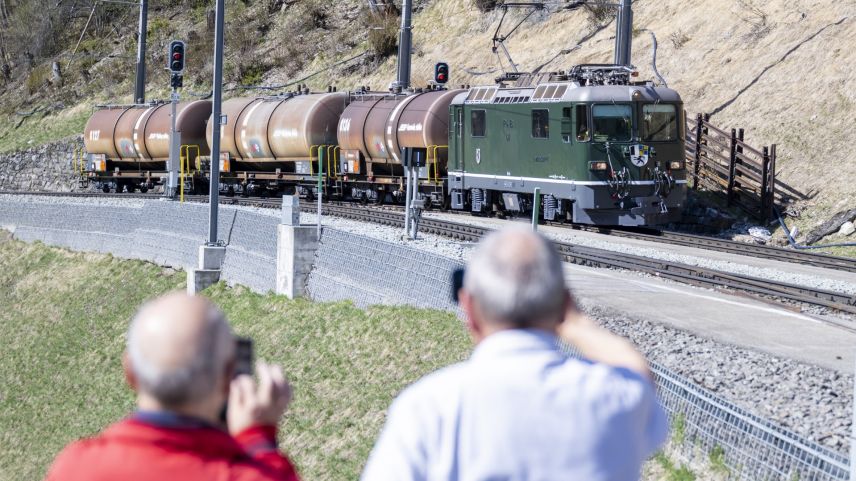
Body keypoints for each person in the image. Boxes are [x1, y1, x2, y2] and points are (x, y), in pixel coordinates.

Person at [362, 227, 668, 481]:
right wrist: (576, 323)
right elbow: (637, 372)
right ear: (563, 305)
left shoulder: (426, 409)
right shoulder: (613, 397)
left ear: (468, 309)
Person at [44, 293, 300, 481]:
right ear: (227, 378)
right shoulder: (254, 476)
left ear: (130, 373)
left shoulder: (74, 468)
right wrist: (259, 439)